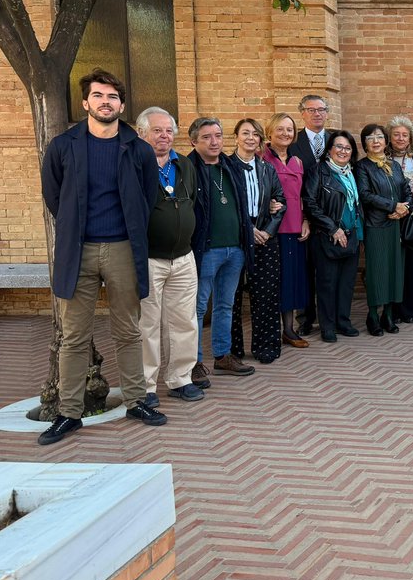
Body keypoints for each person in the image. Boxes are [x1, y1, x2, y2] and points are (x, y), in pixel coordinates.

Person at [37, 69, 163, 445]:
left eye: (112, 97)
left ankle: (137, 401)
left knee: (128, 330)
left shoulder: (137, 148)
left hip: (123, 248)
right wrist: (77, 225)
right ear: (85, 103)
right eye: (98, 96)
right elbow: (54, 197)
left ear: (121, 105)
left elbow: (147, 197)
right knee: (75, 337)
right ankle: (68, 413)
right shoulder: (63, 146)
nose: (105, 102)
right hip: (78, 250)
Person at [137, 107, 203, 407]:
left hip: (183, 258)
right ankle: (146, 385)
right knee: (147, 323)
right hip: (150, 258)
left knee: (184, 321)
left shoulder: (185, 164)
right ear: (142, 133)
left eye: (168, 130)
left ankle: (180, 379)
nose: (164, 136)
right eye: (157, 130)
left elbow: (192, 202)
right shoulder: (135, 164)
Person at [189, 117, 256, 384]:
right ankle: (192, 362)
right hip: (206, 250)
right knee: (197, 308)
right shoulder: (188, 168)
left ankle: (222, 355)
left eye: (218, 135)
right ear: (194, 141)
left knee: (225, 305)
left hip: (235, 249)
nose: (214, 141)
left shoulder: (229, 166)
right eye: (206, 137)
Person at [228, 118, 286, 365]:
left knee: (266, 294)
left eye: (255, 134)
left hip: (265, 237)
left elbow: (280, 201)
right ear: (236, 137)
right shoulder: (226, 166)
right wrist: (248, 230)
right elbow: (227, 206)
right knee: (231, 296)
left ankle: (266, 346)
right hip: (236, 237)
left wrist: (268, 231)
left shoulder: (267, 168)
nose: (251, 138)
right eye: (245, 133)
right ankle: (231, 350)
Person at [303, 130, 364, 342]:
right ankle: (327, 326)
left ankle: (342, 322)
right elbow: (310, 203)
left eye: (347, 148)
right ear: (329, 149)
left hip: (352, 235)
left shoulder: (352, 173)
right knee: (327, 283)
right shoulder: (319, 171)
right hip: (327, 236)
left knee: (346, 283)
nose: (343, 151)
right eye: (338, 146)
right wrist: (332, 229)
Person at [357, 122, 413, 334]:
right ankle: (372, 316)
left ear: (385, 141)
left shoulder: (395, 166)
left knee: (394, 271)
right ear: (365, 144)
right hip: (376, 226)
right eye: (370, 138)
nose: (376, 141)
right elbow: (366, 195)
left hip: (397, 225)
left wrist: (404, 208)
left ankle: (388, 315)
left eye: (379, 137)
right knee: (376, 272)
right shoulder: (363, 167)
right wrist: (392, 206)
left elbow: (407, 191)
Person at [262, 112, 312, 348]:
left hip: (295, 227)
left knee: (292, 279)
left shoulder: (297, 161)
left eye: (289, 130)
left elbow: (302, 196)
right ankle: (271, 330)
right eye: (280, 129)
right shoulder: (262, 159)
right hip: (272, 229)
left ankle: (289, 330)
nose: (285, 133)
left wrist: (305, 221)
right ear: (269, 132)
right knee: (274, 281)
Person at [290, 94, 331, 335]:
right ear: (302, 113)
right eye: (311, 110)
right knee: (304, 269)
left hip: (331, 216)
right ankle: (305, 318)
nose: (317, 114)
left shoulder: (336, 139)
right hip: (303, 216)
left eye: (321, 109)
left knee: (327, 270)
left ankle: (329, 316)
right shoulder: (293, 142)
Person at [386, 116, 413, 324]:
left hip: (412, 219)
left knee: (411, 265)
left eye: (404, 135)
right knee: (394, 265)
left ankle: (409, 308)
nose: (400, 139)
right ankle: (394, 308)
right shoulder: (382, 160)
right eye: (396, 135)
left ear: (410, 138)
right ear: (389, 138)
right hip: (390, 217)